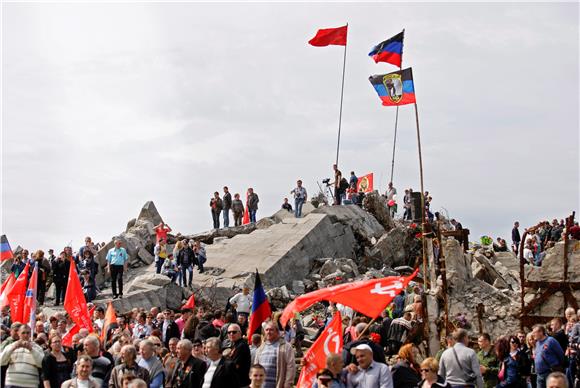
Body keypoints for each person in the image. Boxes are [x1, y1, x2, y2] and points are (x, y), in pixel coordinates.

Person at [254, 321, 296, 388]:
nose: (268, 332)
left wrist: (288, 383)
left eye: (271, 330)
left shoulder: (285, 346)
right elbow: (256, 368)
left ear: (277, 332)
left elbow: (291, 366)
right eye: (267, 330)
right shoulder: (260, 348)